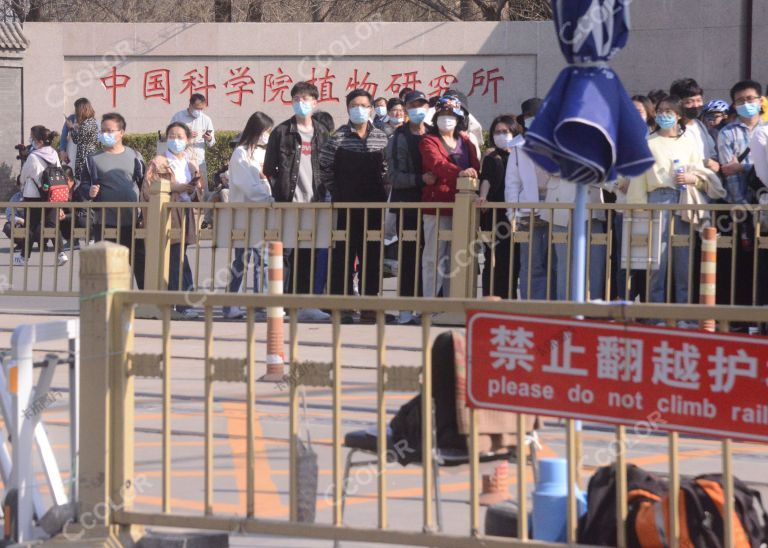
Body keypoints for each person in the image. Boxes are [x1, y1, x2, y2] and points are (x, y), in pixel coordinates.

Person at [626, 95, 709, 310]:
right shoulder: (647, 142)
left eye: (669, 112)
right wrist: (638, 209)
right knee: (656, 262)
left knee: (684, 260)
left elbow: (701, 175)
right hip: (656, 198)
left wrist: (693, 179)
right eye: (661, 111)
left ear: (679, 116)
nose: (664, 115)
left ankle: (683, 314)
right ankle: (656, 315)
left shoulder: (690, 143)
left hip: (683, 199)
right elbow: (638, 179)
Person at [264, 81, 331, 322]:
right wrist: (280, 189)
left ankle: (305, 304)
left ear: (315, 103)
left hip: (314, 202)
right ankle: (281, 302)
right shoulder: (281, 132)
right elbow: (269, 168)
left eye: (306, 98)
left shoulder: (322, 132)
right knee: (284, 254)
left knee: (308, 254)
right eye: (297, 98)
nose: (301, 103)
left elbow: (328, 165)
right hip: (288, 202)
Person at [320, 88, 389, 323]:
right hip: (346, 207)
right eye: (354, 105)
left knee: (372, 256)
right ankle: (343, 307)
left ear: (371, 108)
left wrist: (384, 192)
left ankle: (371, 307)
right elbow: (325, 169)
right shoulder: (337, 137)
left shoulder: (381, 136)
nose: (359, 109)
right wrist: (337, 193)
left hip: (374, 207)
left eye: (364, 105)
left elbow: (387, 171)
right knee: (343, 256)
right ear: (348, 108)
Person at [419, 96, 480, 299]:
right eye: (443, 115)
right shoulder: (429, 140)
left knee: (458, 257)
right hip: (437, 205)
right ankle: (429, 302)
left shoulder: (466, 141)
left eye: (451, 115)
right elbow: (436, 163)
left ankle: (452, 301)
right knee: (433, 256)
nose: (447, 119)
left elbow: (476, 167)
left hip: (463, 206)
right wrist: (460, 172)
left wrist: (470, 172)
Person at [142, 122, 203, 318]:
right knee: (176, 258)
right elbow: (148, 189)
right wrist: (175, 187)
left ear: (187, 140)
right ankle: (183, 303)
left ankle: (184, 301)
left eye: (179, 136)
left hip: (185, 214)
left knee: (180, 256)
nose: (175, 140)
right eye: (171, 135)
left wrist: (193, 190)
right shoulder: (158, 162)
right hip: (167, 214)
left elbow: (200, 194)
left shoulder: (191, 164)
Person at [80, 112, 146, 289]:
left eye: (110, 130)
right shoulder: (92, 159)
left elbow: (144, 186)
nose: (105, 134)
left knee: (140, 264)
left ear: (121, 132)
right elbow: (83, 186)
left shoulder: (135, 156)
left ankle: (147, 300)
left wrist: (144, 215)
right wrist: (90, 191)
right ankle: (110, 303)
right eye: (103, 131)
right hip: (105, 223)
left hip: (133, 222)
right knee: (108, 267)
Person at [386, 89, 431, 324]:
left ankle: (427, 307)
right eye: (413, 105)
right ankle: (405, 309)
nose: (417, 109)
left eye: (421, 105)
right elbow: (393, 175)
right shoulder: (398, 137)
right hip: (407, 204)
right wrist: (419, 179)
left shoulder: (434, 134)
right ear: (405, 109)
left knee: (430, 256)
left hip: (431, 204)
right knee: (408, 256)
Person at [223, 112, 274, 320]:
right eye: (266, 132)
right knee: (242, 260)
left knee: (262, 259)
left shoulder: (259, 154)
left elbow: (264, 180)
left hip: (260, 214)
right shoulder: (240, 153)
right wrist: (268, 196)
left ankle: (259, 301)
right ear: (257, 131)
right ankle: (232, 303)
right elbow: (247, 185)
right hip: (244, 214)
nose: (267, 136)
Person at [506, 99, 555, 300]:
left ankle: (553, 307)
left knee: (554, 262)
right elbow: (512, 182)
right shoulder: (517, 147)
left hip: (556, 210)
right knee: (531, 264)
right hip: (527, 211)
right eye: (527, 118)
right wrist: (512, 213)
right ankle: (532, 306)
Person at [477, 114, 521, 299]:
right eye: (497, 132)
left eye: (505, 131)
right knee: (493, 259)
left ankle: (509, 299)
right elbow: (486, 179)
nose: (501, 135)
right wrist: (483, 197)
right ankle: (491, 299)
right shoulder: (491, 157)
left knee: (514, 259)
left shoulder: (521, 155)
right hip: (495, 214)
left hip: (517, 214)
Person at [18, 125, 67, 266]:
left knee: (31, 226)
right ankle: (61, 253)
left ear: (39, 141)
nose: (31, 140)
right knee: (52, 225)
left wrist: (22, 184)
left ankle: (24, 257)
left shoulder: (33, 156)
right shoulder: (54, 154)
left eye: (32, 138)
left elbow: (24, 176)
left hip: (33, 196)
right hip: (52, 195)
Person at [171, 93, 216, 226]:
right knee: (181, 189)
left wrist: (209, 138)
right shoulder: (178, 117)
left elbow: (212, 143)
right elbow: (170, 136)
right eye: (196, 108)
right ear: (190, 105)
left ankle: (205, 221)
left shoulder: (206, 119)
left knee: (203, 190)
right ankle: (178, 219)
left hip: (199, 160)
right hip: (181, 160)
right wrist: (186, 135)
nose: (199, 111)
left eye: (201, 108)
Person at [669, 78, 719, 173]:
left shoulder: (700, 125)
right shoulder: (672, 129)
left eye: (699, 100)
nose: (696, 105)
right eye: (689, 102)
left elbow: (712, 153)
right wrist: (703, 163)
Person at [68, 98, 99, 182]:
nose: (75, 112)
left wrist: (71, 128)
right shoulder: (92, 121)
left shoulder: (86, 124)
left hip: (84, 156)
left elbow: (76, 140)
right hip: (90, 154)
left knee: (84, 182)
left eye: (76, 110)